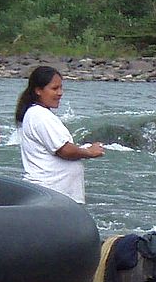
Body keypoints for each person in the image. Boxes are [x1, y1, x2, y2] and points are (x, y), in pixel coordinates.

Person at [15, 66, 103, 203]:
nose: (60, 93)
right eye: (54, 89)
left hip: (53, 194)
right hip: (51, 194)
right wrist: (89, 152)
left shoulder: (37, 114)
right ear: (38, 90)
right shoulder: (40, 116)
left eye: (61, 88)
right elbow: (64, 150)